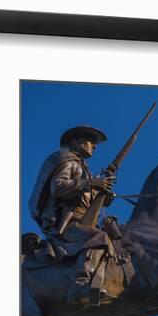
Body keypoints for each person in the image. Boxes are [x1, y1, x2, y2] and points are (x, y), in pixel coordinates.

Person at [28, 125, 116, 306]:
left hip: (82, 222)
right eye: (90, 141)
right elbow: (58, 188)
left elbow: (86, 200)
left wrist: (103, 196)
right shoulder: (69, 163)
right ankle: (80, 284)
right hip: (66, 224)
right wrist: (92, 183)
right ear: (75, 142)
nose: (94, 146)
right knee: (99, 238)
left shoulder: (84, 170)